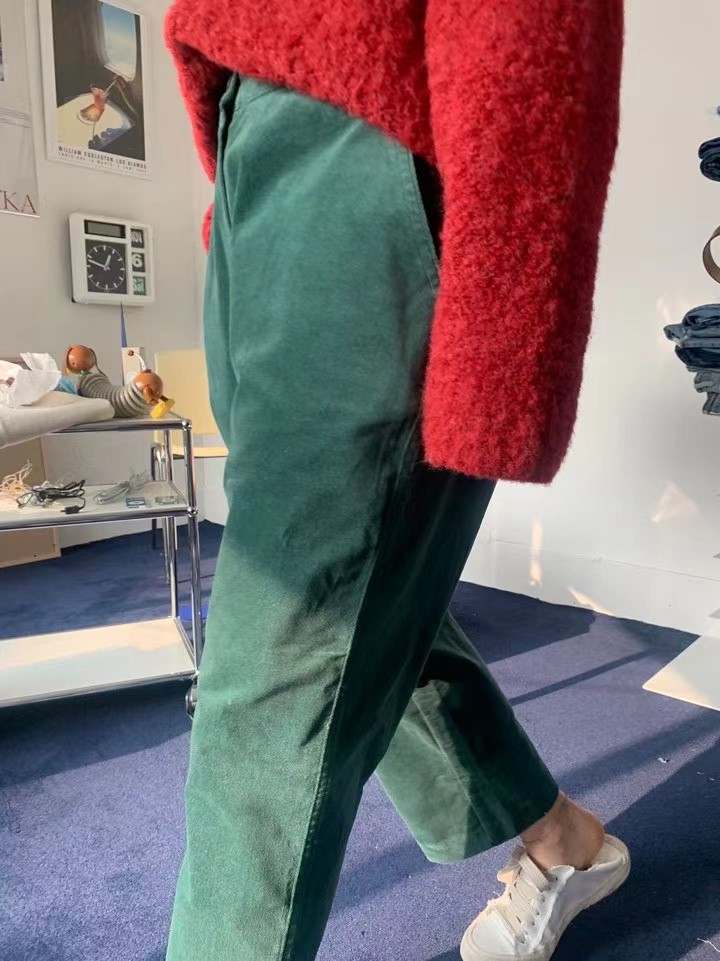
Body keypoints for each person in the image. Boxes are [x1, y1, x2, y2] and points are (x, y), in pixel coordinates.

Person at [164, 2, 628, 960]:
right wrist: (240, 192)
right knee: (359, 593)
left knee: (275, 661)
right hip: (255, 142)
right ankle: (562, 839)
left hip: (375, 147)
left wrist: (507, 330)